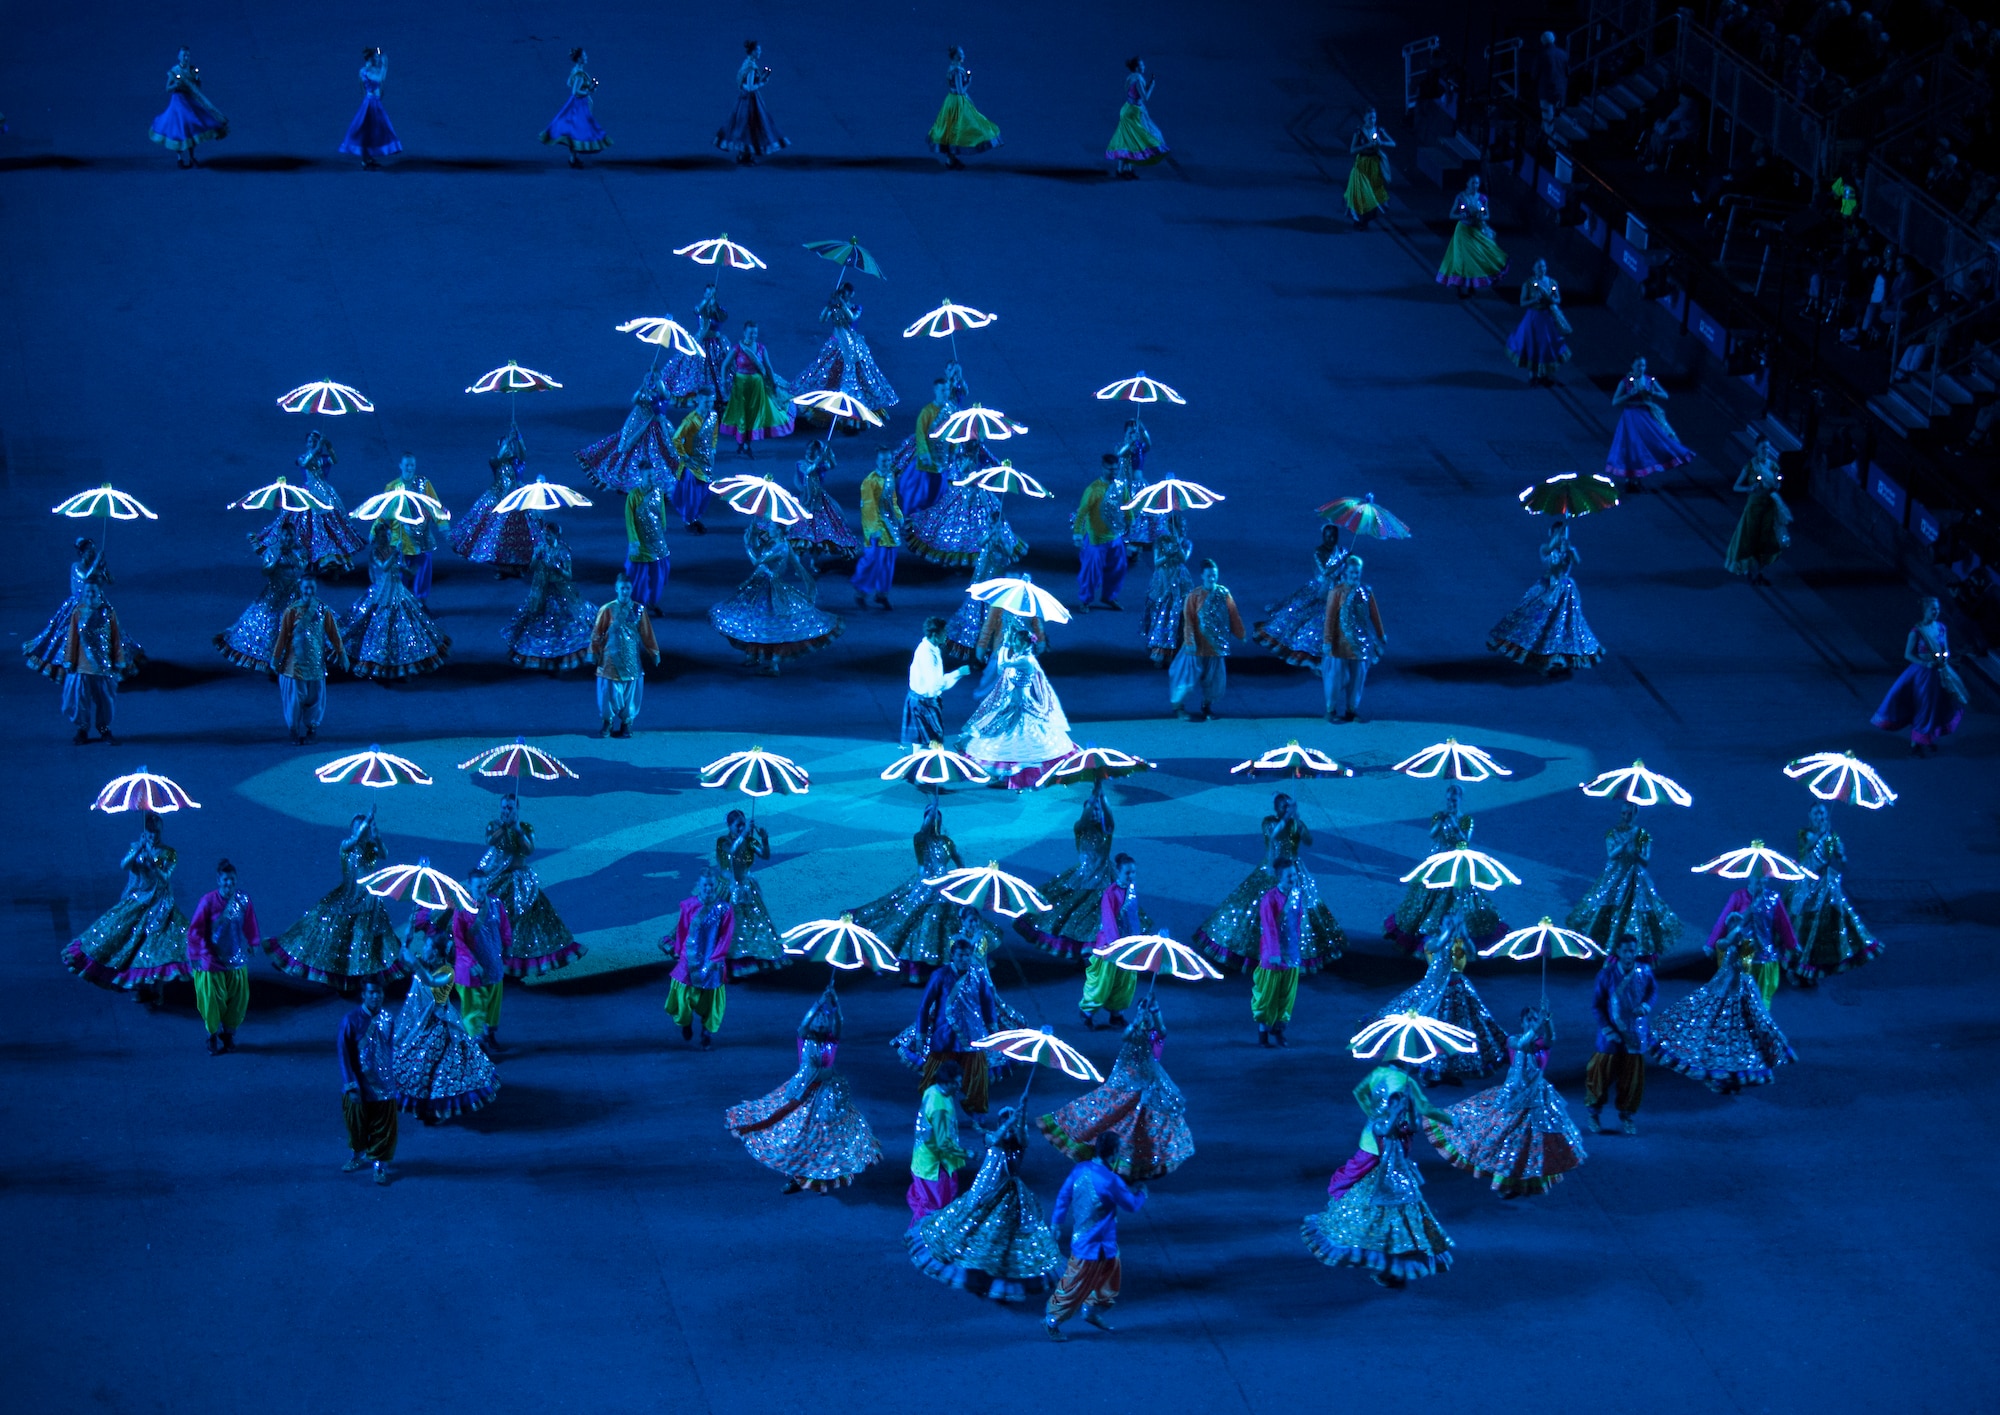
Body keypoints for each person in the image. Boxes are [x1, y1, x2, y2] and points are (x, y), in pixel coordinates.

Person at [726, 984, 880, 1191]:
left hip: (828, 1094)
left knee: (829, 1134)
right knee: (797, 1133)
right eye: (818, 1020)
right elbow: (805, 1023)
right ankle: (800, 1178)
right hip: (805, 1089)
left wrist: (833, 1002)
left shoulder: (831, 1041)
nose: (821, 1023)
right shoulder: (804, 1038)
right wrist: (819, 1003)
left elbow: (839, 1023)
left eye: (823, 1021)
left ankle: (821, 1175)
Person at [1302, 1079, 1452, 1288]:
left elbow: (1416, 1125)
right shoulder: (1379, 1123)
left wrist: (1410, 1104)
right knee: (1378, 1217)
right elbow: (1387, 1130)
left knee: (1405, 1216)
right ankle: (1385, 1260)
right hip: (1382, 1178)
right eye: (1393, 1103)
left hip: (1402, 1177)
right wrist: (1397, 1109)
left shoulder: (1400, 1121)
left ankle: (1394, 1259)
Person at [1424, 1006, 1587, 1197]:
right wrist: (1538, 1026)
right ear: (1521, 1022)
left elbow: (1551, 1038)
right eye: (1528, 1019)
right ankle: (1504, 1182)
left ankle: (1524, 1181)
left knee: (1532, 1141)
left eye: (1534, 1019)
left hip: (1536, 1097)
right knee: (1508, 1138)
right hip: (1513, 1096)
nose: (1531, 1023)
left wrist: (1548, 1022)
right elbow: (1524, 1045)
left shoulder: (1542, 1043)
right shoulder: (1513, 1040)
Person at [910, 1105, 1062, 1302]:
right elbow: (995, 1139)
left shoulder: (1019, 1143)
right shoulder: (991, 1137)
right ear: (1000, 1123)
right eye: (1006, 1123)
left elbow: (1024, 1136)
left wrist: (1022, 1116)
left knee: (1005, 1238)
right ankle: (976, 1270)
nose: (1011, 1128)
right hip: (984, 1193)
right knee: (971, 1230)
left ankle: (998, 1275)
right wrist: (1008, 1122)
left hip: (1009, 1195)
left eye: (1013, 1125)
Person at [1040, 996, 1192, 1178]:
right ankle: (1114, 1152)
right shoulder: (1134, 1031)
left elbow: (1162, 1031)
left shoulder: (1154, 1034)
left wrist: (1156, 1010)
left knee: (1149, 1119)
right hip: (1129, 1079)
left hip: (1150, 1080)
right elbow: (1125, 1036)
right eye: (1143, 1011)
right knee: (1115, 1111)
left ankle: (1145, 1157)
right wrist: (1138, 1020)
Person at [1195, 794, 1347, 972]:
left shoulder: (1295, 823)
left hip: (1293, 870)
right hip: (1272, 869)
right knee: (1261, 910)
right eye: (1283, 807)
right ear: (1277, 809)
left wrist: (1299, 824)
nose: (1286, 809)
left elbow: (1309, 841)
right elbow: (1274, 836)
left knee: (1299, 911)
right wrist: (1288, 818)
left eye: (1288, 806)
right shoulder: (1269, 822)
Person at [1650, 920, 1797, 1093]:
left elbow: (1751, 958)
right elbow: (1726, 946)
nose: (1740, 930)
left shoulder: (1747, 946)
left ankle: (1733, 1078)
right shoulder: (1724, 944)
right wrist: (1737, 934)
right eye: (1735, 926)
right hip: (1721, 991)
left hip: (1742, 994)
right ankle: (1721, 1079)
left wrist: (1751, 936)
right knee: (1716, 1035)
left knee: (1741, 1036)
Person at [265, 809, 403, 989]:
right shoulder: (346, 846)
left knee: (364, 939)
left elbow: (384, 853)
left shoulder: (371, 848)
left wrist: (377, 836)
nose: (361, 830)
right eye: (357, 827)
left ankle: (362, 976)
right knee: (328, 926)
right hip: (348, 896)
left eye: (363, 827)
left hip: (369, 900)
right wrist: (366, 821)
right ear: (353, 829)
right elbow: (354, 840)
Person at [893, 929, 1026, 1113]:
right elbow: (925, 1006)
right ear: (952, 955)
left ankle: (977, 1115)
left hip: (974, 1035)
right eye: (961, 955)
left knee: (978, 1082)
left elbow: (988, 1003)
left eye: (968, 955)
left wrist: (994, 1032)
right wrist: (921, 1036)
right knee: (933, 1079)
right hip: (944, 1035)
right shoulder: (940, 976)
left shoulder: (978, 974)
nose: (965, 959)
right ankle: (932, 1111)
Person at [1372, 907, 1510, 1083]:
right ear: (1440, 926)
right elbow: (1439, 946)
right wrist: (1451, 931)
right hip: (1435, 991)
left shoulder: (1460, 943)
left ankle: (1449, 1067)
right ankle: (1428, 1069)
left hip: (1459, 990)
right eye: (1448, 922)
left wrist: (1465, 934)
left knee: (1461, 1028)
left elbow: (1473, 953)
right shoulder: (1432, 941)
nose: (1452, 925)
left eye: (1453, 922)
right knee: (1432, 1027)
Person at [63, 811, 189, 1001]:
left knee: (155, 947)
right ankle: (139, 987)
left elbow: (165, 878)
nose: (153, 836)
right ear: (145, 832)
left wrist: (154, 864)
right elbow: (124, 865)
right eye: (149, 832)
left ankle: (158, 991)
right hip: (136, 898)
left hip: (159, 904)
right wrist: (139, 850)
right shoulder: (136, 847)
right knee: (132, 943)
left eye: (156, 832)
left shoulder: (168, 853)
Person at [391, 906, 501, 1121]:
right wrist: (406, 938)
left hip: (439, 1028)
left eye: (429, 946)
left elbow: (431, 982)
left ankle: (437, 1108)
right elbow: (404, 960)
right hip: (418, 1023)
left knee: (437, 1070)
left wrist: (414, 963)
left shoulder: (447, 972)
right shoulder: (424, 963)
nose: (425, 948)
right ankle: (422, 1104)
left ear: (439, 953)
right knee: (416, 1065)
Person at [852, 798, 967, 983]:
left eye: (937, 817)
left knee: (942, 926)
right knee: (913, 922)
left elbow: (960, 862)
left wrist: (956, 878)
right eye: (929, 816)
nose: (933, 820)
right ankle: (915, 967)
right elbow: (923, 857)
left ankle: (944, 966)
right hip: (925, 884)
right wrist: (932, 809)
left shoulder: (947, 842)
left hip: (944, 886)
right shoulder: (920, 839)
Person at [1045, 1133, 1147, 1338]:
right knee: (1074, 1285)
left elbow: (1064, 1196)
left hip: (1098, 1242)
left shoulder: (1080, 1169)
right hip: (1091, 1244)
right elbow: (1131, 1205)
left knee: (1109, 1276)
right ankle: (1052, 1320)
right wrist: (1142, 1192)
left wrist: (1057, 1222)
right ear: (1114, 1152)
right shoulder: (1111, 1180)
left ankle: (1090, 1311)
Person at [1383, 782, 1506, 950]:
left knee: (1458, 896)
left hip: (1457, 863)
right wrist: (1441, 821)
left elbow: (1464, 840)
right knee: (1423, 898)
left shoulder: (1466, 820)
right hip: (1438, 860)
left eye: (1454, 800)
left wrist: (1454, 825)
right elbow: (1432, 834)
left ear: (1460, 800)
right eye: (1448, 800)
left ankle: (1454, 934)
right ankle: (1420, 935)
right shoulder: (1439, 816)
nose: (1451, 803)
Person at [1018, 785, 1136, 959]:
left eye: (1098, 811)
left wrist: (1102, 797)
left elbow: (1110, 819)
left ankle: (1097, 952)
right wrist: (1093, 799)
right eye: (1092, 810)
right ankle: (1082, 950)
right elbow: (1085, 818)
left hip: (1105, 876)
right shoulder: (1080, 829)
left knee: (1101, 916)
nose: (1095, 813)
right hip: (1082, 876)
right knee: (1074, 914)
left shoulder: (1106, 831)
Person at [711, 522, 844, 673]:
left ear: (779, 531)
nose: (769, 529)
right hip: (761, 583)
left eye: (772, 528)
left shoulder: (780, 547)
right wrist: (753, 536)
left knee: (770, 623)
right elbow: (763, 553)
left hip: (770, 587)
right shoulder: (777, 543)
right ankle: (754, 655)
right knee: (756, 621)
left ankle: (773, 665)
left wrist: (747, 544)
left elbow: (757, 560)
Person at [961, 613, 1076, 786]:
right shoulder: (1019, 657)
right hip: (1012, 701)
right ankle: (1002, 774)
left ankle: (1017, 774)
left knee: (1019, 735)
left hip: (1021, 703)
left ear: (1025, 643)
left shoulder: (1026, 661)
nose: (1015, 644)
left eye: (1018, 642)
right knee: (1003, 732)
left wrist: (1005, 644)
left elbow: (1002, 665)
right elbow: (1002, 672)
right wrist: (1010, 631)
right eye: (1015, 642)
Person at [476, 794, 583, 978]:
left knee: (526, 922)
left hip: (521, 883)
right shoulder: (494, 825)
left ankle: (514, 963)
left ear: (516, 809)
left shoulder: (525, 828)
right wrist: (505, 826)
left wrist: (517, 829)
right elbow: (491, 841)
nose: (506, 811)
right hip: (499, 878)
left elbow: (528, 850)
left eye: (510, 808)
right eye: (504, 807)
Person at [1486, 516, 1603, 674]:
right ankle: (1535, 653)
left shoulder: (1567, 550)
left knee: (1562, 623)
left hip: (1564, 590)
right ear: (1552, 533)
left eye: (1563, 533)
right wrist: (1559, 537)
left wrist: (1569, 551)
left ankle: (1556, 658)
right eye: (1558, 533)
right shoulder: (1545, 548)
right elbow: (1550, 557)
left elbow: (1576, 562)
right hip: (1547, 587)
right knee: (1536, 619)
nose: (1561, 536)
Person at [1566, 802, 1683, 957]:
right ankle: (1605, 948)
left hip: (1634, 876)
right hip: (1615, 876)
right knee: (1607, 907)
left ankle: (1632, 949)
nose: (1626, 817)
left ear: (1635, 815)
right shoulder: (1612, 833)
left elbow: (1646, 860)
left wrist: (1637, 854)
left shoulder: (1642, 834)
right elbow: (1611, 854)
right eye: (1624, 813)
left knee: (1635, 909)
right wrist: (1624, 845)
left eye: (1630, 814)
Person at [344, 523, 451, 681]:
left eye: (388, 535)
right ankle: (378, 664)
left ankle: (403, 664)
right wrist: (395, 554)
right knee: (380, 626)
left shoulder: (394, 550)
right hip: (382, 593)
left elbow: (400, 568)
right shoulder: (376, 552)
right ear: (378, 538)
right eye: (383, 536)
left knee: (403, 625)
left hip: (398, 591)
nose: (386, 538)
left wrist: (411, 571)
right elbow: (384, 567)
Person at [1788, 805, 1883, 983]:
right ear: (1809, 815)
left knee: (1818, 931)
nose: (1820, 816)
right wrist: (1824, 836)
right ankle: (1793, 967)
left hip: (1825, 887)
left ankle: (1810, 969)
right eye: (1816, 813)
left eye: (1823, 813)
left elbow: (1842, 863)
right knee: (1800, 927)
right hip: (1806, 886)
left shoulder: (1832, 837)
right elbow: (1807, 846)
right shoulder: (1804, 834)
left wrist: (1841, 853)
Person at [26, 538, 142, 683]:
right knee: (70, 635)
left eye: (93, 550)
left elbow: (111, 581)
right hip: (79, 606)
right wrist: (96, 564)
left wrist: (104, 569)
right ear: (82, 553)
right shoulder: (76, 567)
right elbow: (87, 579)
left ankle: (108, 667)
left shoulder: (97, 566)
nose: (92, 552)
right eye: (89, 551)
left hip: (98, 603)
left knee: (107, 636)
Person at [256, 429, 367, 574]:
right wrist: (317, 447)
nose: (312, 443)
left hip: (325, 494)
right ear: (306, 444)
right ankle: (302, 556)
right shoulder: (303, 457)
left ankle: (327, 559)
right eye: (310, 441)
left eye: (315, 441)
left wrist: (329, 445)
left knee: (330, 525)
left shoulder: (323, 458)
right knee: (305, 524)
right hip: (308, 493)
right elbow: (306, 463)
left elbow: (335, 460)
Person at [1871, 596, 1966, 756]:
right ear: (1925, 610)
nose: (1936, 611)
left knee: (1936, 706)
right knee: (1923, 706)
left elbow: (1946, 649)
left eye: (1937, 608)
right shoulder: (1917, 632)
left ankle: (1927, 739)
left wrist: (1944, 658)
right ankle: (1916, 742)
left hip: (1940, 673)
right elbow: (1908, 654)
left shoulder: (1942, 628)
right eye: (1932, 609)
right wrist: (1926, 664)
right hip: (1923, 675)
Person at [185, 860, 259, 1056]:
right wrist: (196, 955)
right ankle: (212, 1035)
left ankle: (228, 1035)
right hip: (211, 961)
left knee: (237, 1000)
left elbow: (250, 922)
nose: (229, 884)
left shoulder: (243, 900)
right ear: (219, 880)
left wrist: (253, 942)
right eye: (226, 880)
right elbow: (195, 931)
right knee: (212, 1001)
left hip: (235, 960)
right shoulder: (207, 902)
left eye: (232, 880)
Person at [795, 285, 898, 424]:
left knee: (855, 374)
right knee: (830, 372)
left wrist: (841, 304)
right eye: (842, 293)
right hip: (836, 342)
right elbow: (822, 319)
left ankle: (851, 411)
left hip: (851, 345)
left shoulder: (856, 307)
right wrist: (828, 305)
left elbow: (851, 318)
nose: (843, 295)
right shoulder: (835, 306)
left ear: (850, 294)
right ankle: (830, 409)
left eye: (845, 293)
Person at [504, 521, 595, 672]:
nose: (545, 536)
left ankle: (564, 657)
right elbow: (531, 569)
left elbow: (569, 575)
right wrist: (535, 558)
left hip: (561, 592)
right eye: (544, 534)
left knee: (563, 624)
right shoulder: (540, 549)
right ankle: (544, 658)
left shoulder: (563, 552)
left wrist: (557, 568)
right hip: (542, 591)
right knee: (539, 624)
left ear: (555, 535)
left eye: (548, 534)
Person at [1586, 936, 1654, 1135]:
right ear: (1618, 952)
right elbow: (1597, 1005)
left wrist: (1646, 1005)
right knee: (1600, 1074)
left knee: (1632, 1079)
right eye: (1625, 951)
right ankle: (1593, 1114)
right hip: (1610, 1035)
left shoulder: (1645, 972)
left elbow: (1652, 992)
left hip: (1634, 1032)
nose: (1629, 955)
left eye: (1632, 951)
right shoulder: (1606, 975)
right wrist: (1607, 1029)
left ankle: (1627, 1116)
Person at [269, 575, 348, 745]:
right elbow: (282, 636)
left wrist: (342, 654)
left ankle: (312, 729)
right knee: (295, 699)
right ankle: (293, 730)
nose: (309, 591)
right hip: (294, 665)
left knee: (315, 698)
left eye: (312, 587)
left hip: (316, 664)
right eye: (306, 587)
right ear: (300, 588)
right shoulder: (291, 611)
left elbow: (333, 633)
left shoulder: (322, 609)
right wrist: (275, 658)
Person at [1254, 524, 1345, 668]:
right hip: (1319, 590)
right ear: (1323, 537)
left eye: (1334, 536)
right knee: (1305, 618)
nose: (1331, 539)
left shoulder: (1342, 551)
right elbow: (1325, 572)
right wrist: (1343, 560)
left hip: (1337, 591)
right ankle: (1312, 656)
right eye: (1328, 536)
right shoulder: (1319, 552)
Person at [217, 521, 303, 672]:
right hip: (275, 593)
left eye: (291, 535)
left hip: (293, 592)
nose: (289, 538)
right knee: (270, 624)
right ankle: (274, 660)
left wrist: (292, 557)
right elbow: (266, 571)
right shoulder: (273, 551)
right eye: (286, 535)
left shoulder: (298, 551)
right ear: (281, 536)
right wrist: (275, 560)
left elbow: (303, 566)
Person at [1706, 863, 1798, 1005]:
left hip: (1765, 957)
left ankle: (1760, 1022)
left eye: (1764, 877)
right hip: (1742, 955)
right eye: (1757, 878)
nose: (1761, 881)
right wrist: (1711, 944)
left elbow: (1784, 924)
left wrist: (1792, 944)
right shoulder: (1738, 897)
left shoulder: (1773, 898)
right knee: (1739, 996)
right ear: (1750, 878)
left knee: (1762, 998)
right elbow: (1722, 921)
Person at [577, 367, 678, 494]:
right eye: (648, 377)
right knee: (637, 452)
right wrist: (642, 388)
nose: (650, 379)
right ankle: (638, 478)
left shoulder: (663, 391)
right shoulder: (644, 392)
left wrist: (658, 381)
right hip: (642, 427)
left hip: (660, 428)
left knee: (665, 452)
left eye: (653, 378)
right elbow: (635, 400)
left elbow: (664, 395)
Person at [664, 867, 735, 1049]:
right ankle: (686, 1023)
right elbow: (682, 929)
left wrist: (716, 958)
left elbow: (725, 936)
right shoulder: (689, 905)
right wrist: (678, 950)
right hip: (690, 957)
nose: (709, 889)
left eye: (712, 885)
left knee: (711, 999)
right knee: (683, 994)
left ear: (715, 886)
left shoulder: (724, 909)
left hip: (712, 958)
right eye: (705, 885)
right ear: (699, 886)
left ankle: (706, 1032)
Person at [337, 980, 399, 1184]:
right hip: (359, 1085)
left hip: (385, 1086)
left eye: (379, 992)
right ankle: (358, 1155)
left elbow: (394, 1049)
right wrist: (350, 1085)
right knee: (356, 1124)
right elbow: (344, 1055)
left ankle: (380, 1165)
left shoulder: (388, 1018)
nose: (376, 996)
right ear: (363, 994)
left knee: (384, 1127)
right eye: (372, 992)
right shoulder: (351, 1020)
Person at [1169, 559, 1246, 721]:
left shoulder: (1223, 593)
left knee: (1214, 680)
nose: (1212, 578)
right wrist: (1190, 642)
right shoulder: (1194, 596)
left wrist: (1240, 634)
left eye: (1214, 575)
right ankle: (1179, 707)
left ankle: (1206, 706)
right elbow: (1188, 620)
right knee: (1186, 678)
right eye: (1209, 575)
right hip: (1195, 647)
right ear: (1202, 576)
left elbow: (1233, 614)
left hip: (1214, 646)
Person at [452, 429, 535, 576]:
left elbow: (523, 452)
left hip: (515, 502)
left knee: (518, 535)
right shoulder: (495, 462)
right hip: (497, 501)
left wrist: (519, 438)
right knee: (498, 535)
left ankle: (518, 565)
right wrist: (508, 441)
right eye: (505, 446)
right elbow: (498, 457)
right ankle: (503, 567)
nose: (509, 448)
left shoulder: (517, 462)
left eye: (510, 446)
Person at [1605, 356, 1696, 490]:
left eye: (1643, 366)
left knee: (1650, 445)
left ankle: (1638, 477)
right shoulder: (1625, 382)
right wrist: (1630, 394)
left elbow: (1665, 395)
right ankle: (1630, 478)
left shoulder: (1649, 380)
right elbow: (1615, 401)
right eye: (1638, 365)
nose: (1641, 368)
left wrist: (1652, 392)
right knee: (1632, 447)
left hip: (1646, 416)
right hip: (1631, 417)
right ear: (1632, 366)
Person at [588, 571, 660, 737]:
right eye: (622, 588)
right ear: (616, 588)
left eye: (628, 588)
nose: (625, 591)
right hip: (609, 660)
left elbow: (647, 633)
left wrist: (653, 651)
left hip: (631, 661)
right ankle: (607, 722)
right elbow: (597, 632)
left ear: (631, 589)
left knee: (630, 693)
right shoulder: (606, 610)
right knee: (608, 693)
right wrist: (593, 652)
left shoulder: (638, 610)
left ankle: (627, 723)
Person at [1250, 858, 1312, 1047]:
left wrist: (1298, 950)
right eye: (1289, 875)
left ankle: (1279, 1031)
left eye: (1294, 874)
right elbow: (1269, 929)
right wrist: (1275, 954)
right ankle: (1263, 1035)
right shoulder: (1269, 899)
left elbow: (1297, 924)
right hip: (1274, 958)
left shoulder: (1297, 894)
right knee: (1268, 997)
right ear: (1280, 877)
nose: (1293, 878)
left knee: (1286, 997)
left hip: (1291, 956)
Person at [56, 581, 126, 746]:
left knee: (105, 701)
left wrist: (118, 661)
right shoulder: (78, 612)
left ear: (99, 593)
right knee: (80, 700)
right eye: (87, 592)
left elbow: (116, 638)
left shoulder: (108, 613)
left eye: (93, 592)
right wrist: (69, 660)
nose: (89, 595)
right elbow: (72, 639)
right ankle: (82, 729)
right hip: (82, 666)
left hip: (103, 668)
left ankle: (104, 728)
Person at [449, 875, 512, 1056]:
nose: (482, 889)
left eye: (484, 885)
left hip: (493, 964)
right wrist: (472, 962)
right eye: (478, 886)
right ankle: (476, 1048)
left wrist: (508, 946)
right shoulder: (462, 908)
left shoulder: (495, 904)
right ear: (469, 886)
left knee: (493, 1005)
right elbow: (459, 940)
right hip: (471, 971)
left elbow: (505, 927)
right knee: (473, 1011)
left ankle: (490, 1036)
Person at [1321, 554, 1385, 721]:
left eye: (1357, 572)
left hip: (1361, 643)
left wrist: (1380, 634)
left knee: (1358, 678)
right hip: (1340, 643)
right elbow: (1329, 618)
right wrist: (1327, 641)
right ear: (1345, 572)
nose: (1354, 575)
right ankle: (1331, 709)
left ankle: (1351, 709)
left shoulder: (1366, 591)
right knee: (1335, 678)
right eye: (1351, 572)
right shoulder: (1336, 592)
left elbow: (1374, 615)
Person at [908, 1060, 972, 1228]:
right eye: (956, 1082)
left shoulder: (933, 1091)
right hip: (934, 1165)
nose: (959, 1086)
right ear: (946, 1082)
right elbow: (943, 1143)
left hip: (927, 1159)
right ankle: (920, 1240)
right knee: (934, 1207)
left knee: (935, 1202)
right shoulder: (939, 1108)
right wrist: (967, 1153)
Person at [1724, 443, 1792, 585]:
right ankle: (1747, 570)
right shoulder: (1750, 466)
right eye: (1763, 448)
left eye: (1767, 448)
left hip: (1769, 507)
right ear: (1757, 449)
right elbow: (1736, 486)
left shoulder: (1773, 466)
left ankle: (1759, 573)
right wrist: (1750, 487)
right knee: (1749, 539)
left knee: (1765, 540)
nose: (1765, 450)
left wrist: (1778, 484)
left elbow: (1776, 485)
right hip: (1754, 507)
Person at [150, 48, 228, 168]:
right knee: (179, 129)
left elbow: (197, 87)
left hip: (189, 100)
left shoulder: (192, 70)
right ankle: (180, 158)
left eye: (188, 56)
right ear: (179, 57)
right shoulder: (174, 71)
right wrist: (176, 84)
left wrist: (197, 78)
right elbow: (167, 88)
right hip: (178, 103)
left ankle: (192, 157)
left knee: (192, 128)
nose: (186, 58)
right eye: (183, 55)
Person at [381, 454, 445, 600]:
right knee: (400, 573)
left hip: (422, 538)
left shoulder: (424, 484)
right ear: (400, 466)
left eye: (412, 465)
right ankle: (400, 604)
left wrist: (443, 526)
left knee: (423, 571)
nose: (409, 468)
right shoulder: (392, 487)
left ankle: (421, 602)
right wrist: (375, 530)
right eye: (407, 465)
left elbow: (435, 505)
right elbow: (383, 511)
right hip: (400, 538)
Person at [788, 439, 860, 567]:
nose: (809, 453)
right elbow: (808, 472)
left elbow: (833, 464)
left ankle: (813, 562)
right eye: (808, 450)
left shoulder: (821, 465)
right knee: (799, 531)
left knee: (818, 533)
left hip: (819, 500)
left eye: (813, 451)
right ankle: (798, 564)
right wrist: (820, 459)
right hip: (806, 499)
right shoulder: (801, 464)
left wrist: (829, 451)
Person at [1073, 455, 1130, 613]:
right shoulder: (1093, 490)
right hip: (1095, 540)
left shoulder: (1120, 486)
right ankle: (1085, 600)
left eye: (1116, 469)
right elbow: (1081, 513)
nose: (1114, 472)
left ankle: (1109, 596)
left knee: (1119, 568)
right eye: (1110, 469)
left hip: (1114, 537)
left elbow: (1127, 506)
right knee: (1091, 572)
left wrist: (1130, 522)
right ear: (1103, 468)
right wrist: (1077, 533)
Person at [715, 40, 788, 164]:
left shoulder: (747, 63)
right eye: (758, 50)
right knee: (750, 126)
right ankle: (745, 155)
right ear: (753, 51)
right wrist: (762, 83)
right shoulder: (751, 67)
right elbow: (750, 88)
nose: (760, 52)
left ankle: (744, 153)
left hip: (744, 99)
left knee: (744, 126)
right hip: (750, 101)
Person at [929, 47, 1003, 167]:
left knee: (951, 129)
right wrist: (968, 81)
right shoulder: (958, 71)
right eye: (960, 54)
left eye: (962, 54)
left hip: (950, 101)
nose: (963, 56)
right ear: (955, 57)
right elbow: (960, 90)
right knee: (962, 127)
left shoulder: (951, 68)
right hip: (958, 102)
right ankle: (951, 159)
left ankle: (950, 159)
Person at [902, 616, 969, 746]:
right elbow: (935, 684)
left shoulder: (931, 648)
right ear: (935, 634)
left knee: (920, 744)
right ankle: (932, 765)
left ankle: (919, 764)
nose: (946, 635)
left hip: (918, 700)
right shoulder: (928, 654)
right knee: (935, 745)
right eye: (944, 633)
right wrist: (958, 673)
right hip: (924, 703)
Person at [1436, 176, 1508, 293]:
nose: (1475, 185)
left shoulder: (1482, 198)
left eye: (1477, 183)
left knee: (1478, 257)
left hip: (1477, 229)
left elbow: (1487, 215)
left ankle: (1472, 285)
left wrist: (1481, 216)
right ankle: (1459, 286)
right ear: (1467, 183)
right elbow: (1451, 215)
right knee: (1463, 259)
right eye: (1473, 182)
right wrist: (1461, 216)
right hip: (1464, 230)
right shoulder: (1461, 197)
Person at [893, 378, 954, 515]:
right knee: (921, 493)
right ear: (935, 391)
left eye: (947, 389)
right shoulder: (927, 412)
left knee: (939, 493)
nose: (945, 393)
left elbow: (954, 433)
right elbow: (920, 434)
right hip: (928, 461)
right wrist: (924, 454)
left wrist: (953, 451)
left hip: (943, 460)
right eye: (942, 390)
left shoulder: (951, 411)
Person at [1506, 258, 1572, 383]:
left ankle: (1544, 374)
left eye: (1543, 267)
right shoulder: (1529, 284)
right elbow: (1522, 302)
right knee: (1532, 345)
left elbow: (1558, 299)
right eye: (1539, 267)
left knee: (1547, 345)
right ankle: (1532, 374)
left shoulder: (1552, 283)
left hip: (1548, 318)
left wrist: (1552, 300)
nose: (1542, 269)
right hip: (1533, 318)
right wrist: (1534, 300)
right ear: (1534, 269)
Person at [541, 47, 609, 166]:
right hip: (581, 106)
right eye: (584, 56)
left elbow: (568, 82)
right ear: (579, 59)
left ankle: (573, 158)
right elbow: (575, 92)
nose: (586, 57)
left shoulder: (576, 71)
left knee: (576, 131)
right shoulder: (579, 75)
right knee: (579, 131)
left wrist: (587, 87)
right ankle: (573, 158)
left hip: (579, 106)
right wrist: (589, 91)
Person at [852, 450, 902, 610]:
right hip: (876, 528)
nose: (886, 463)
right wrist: (874, 529)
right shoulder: (870, 481)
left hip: (890, 527)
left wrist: (899, 515)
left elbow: (892, 500)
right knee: (872, 560)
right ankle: (860, 593)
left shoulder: (890, 476)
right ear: (877, 461)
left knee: (888, 563)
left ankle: (882, 595)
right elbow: (867, 508)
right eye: (883, 461)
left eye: (888, 461)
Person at [338, 47, 401, 169]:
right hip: (371, 105)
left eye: (377, 57)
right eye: (375, 57)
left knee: (374, 131)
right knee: (366, 131)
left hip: (374, 103)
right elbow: (380, 79)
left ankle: (369, 157)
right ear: (370, 58)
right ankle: (365, 160)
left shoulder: (370, 70)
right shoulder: (366, 71)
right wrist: (385, 64)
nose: (377, 59)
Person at [1105, 57, 1168, 179]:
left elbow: (1130, 92)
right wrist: (1152, 86)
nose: (1143, 67)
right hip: (1133, 112)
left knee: (1129, 140)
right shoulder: (1138, 79)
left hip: (1128, 109)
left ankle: (1126, 169)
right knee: (1132, 141)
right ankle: (1122, 170)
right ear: (1136, 67)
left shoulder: (1130, 77)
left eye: (1143, 65)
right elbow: (1145, 98)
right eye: (1141, 66)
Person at [1142, 525, 1194, 666]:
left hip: (1179, 582)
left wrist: (1177, 545)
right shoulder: (1159, 542)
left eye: (1179, 529)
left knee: (1178, 616)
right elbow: (1156, 562)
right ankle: (1159, 650)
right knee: (1161, 615)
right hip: (1162, 581)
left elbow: (1183, 559)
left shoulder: (1185, 543)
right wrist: (1168, 555)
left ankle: (1176, 650)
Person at [622, 471, 672, 614]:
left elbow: (661, 511)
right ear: (641, 477)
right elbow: (629, 520)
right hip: (641, 542)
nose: (652, 478)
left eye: (653, 475)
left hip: (657, 540)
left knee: (660, 575)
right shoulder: (633, 495)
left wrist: (663, 526)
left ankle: (652, 601)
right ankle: (637, 604)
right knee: (639, 577)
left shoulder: (658, 492)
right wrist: (633, 541)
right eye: (648, 476)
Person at [672, 389, 720, 532]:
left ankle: (695, 517)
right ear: (698, 400)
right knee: (693, 494)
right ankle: (689, 521)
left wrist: (712, 449)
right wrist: (685, 457)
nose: (709, 404)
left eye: (711, 401)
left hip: (706, 462)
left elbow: (714, 433)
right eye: (706, 402)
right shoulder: (691, 420)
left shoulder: (713, 416)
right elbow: (676, 439)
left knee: (705, 493)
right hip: (693, 464)